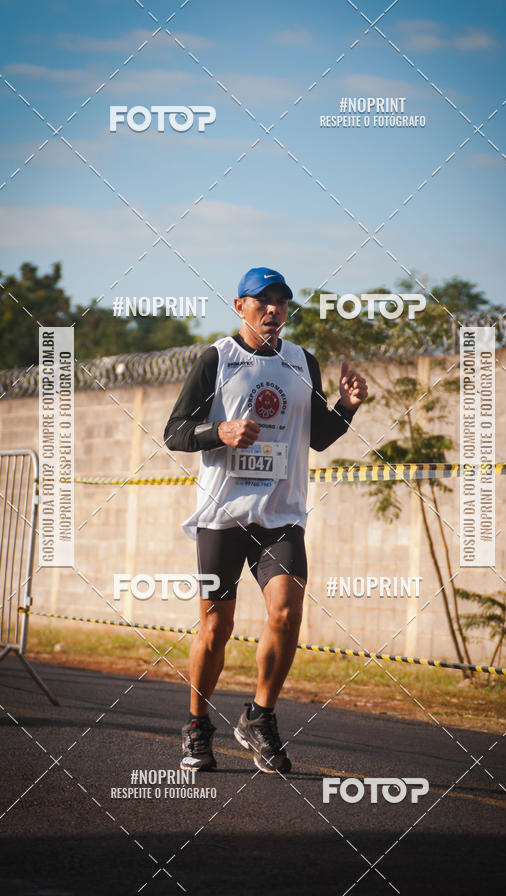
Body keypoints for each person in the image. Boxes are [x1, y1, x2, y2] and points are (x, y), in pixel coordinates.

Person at [164, 267, 368, 774]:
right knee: (216, 626)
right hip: (222, 515)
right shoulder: (217, 357)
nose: (272, 309)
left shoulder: (302, 361)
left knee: (285, 612)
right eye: (262, 301)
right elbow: (174, 432)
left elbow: (318, 435)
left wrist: (347, 405)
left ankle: (260, 716)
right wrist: (220, 431)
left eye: (280, 301)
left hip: (280, 516)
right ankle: (196, 725)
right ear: (240, 306)